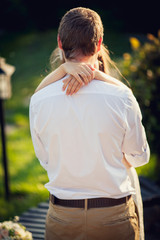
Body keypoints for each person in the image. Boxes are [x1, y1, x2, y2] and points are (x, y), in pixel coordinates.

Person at [29, 7, 150, 240]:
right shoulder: (122, 97)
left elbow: (45, 160)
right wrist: (110, 156)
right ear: (99, 44)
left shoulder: (39, 100)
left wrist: (64, 69)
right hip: (113, 217)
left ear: (59, 43)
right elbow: (139, 157)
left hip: (63, 217)